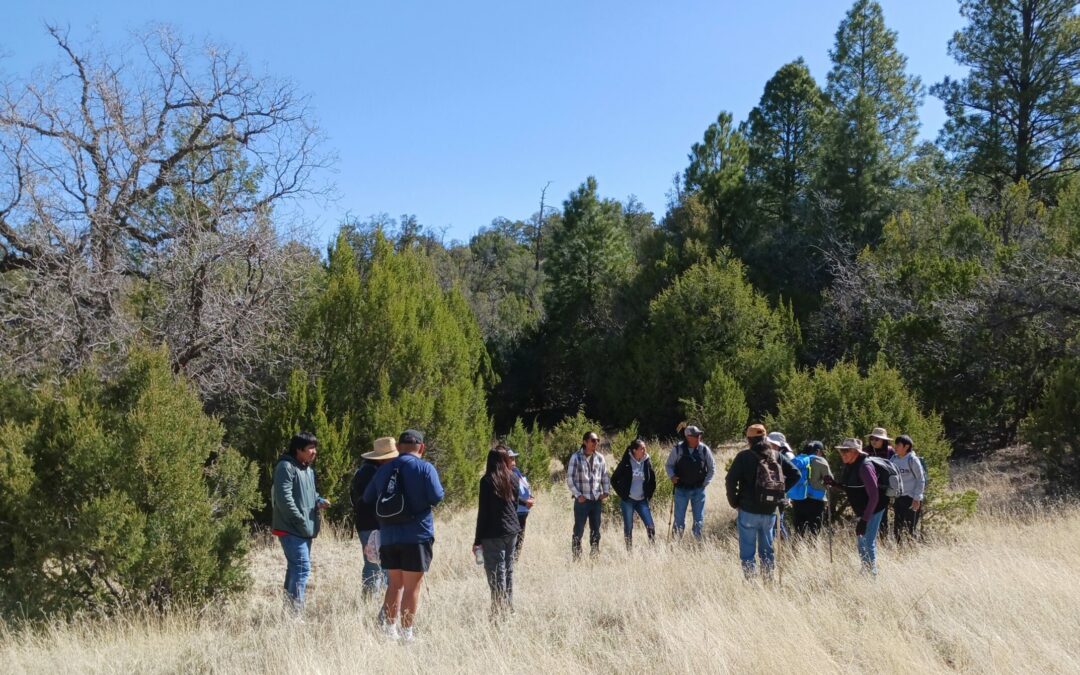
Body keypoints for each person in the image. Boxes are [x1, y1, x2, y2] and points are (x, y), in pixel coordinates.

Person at [363, 429, 445, 642]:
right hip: (417, 535)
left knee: (394, 585)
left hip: (389, 536)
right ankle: (406, 633)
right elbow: (437, 496)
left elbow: (368, 496)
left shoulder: (383, 470)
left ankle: (389, 630)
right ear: (422, 448)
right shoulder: (425, 468)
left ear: (398, 447)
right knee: (411, 587)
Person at [725, 424, 800, 578]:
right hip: (770, 511)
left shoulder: (743, 457)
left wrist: (735, 502)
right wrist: (781, 492)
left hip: (748, 510)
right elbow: (796, 474)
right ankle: (768, 580)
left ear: (749, 440)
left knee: (747, 552)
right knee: (767, 550)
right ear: (765, 438)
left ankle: (751, 583)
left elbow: (730, 480)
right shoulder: (776, 455)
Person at [271, 431, 330, 617]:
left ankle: (289, 613)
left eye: (315, 448)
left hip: (304, 528)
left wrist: (319, 501)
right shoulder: (286, 467)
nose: (314, 452)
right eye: (310, 448)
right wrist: (300, 519)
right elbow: (284, 499)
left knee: (295, 568)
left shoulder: (308, 470)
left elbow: (310, 496)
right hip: (291, 528)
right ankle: (295, 614)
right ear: (298, 450)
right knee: (302, 567)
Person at [825, 438, 888, 575]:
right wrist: (834, 484)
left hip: (874, 507)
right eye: (841, 451)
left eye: (846, 451)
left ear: (856, 452)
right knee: (861, 541)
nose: (843, 454)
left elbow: (874, 496)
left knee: (867, 541)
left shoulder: (865, 467)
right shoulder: (850, 465)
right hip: (864, 509)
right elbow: (851, 487)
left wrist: (864, 520)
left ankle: (872, 575)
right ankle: (866, 570)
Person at [473, 446, 522, 619]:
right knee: (508, 570)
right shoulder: (513, 477)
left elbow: (483, 513)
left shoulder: (487, 481)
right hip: (512, 530)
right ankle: (508, 608)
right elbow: (515, 505)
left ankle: (498, 611)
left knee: (496, 573)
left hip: (493, 533)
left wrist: (477, 540)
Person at [349, 436, 399, 601]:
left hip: (370, 524)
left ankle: (377, 600)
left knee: (380, 564)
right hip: (372, 525)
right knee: (374, 565)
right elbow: (371, 501)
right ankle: (370, 600)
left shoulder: (367, 470)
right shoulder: (370, 473)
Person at [665, 425, 716, 541]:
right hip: (681, 490)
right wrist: (672, 476)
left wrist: (706, 482)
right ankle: (676, 542)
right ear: (687, 437)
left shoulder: (704, 449)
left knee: (699, 519)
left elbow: (712, 467)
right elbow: (669, 465)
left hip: (699, 490)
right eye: (695, 435)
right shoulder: (677, 449)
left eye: (699, 435)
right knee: (679, 519)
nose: (699, 437)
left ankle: (696, 543)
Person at [565, 431, 611, 560]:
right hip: (582, 501)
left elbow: (605, 476)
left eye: (597, 440)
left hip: (596, 500)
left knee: (596, 530)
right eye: (593, 440)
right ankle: (577, 557)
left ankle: (594, 555)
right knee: (578, 530)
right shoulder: (576, 457)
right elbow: (570, 479)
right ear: (585, 442)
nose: (596, 443)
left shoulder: (600, 457)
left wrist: (605, 492)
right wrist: (578, 495)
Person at [610, 439, 657, 549]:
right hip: (628, 501)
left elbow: (652, 481)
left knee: (650, 525)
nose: (644, 450)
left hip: (642, 500)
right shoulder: (626, 462)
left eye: (645, 448)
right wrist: (623, 494)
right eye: (642, 448)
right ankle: (629, 551)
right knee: (629, 527)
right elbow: (614, 479)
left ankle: (653, 548)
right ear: (635, 450)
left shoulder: (647, 462)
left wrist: (648, 495)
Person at [787, 440, 833, 536]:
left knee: (799, 531)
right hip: (816, 501)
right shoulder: (820, 461)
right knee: (814, 531)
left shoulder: (799, 460)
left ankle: (798, 550)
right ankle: (812, 550)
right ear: (818, 451)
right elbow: (830, 480)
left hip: (799, 499)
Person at [890, 434, 926, 545]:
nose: (895, 447)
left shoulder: (912, 460)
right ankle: (899, 552)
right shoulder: (894, 459)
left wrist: (917, 498)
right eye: (895, 444)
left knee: (910, 529)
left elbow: (921, 479)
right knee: (897, 529)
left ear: (906, 447)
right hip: (899, 498)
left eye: (898, 444)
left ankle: (912, 551)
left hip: (911, 498)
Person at [867, 427, 896, 542]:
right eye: (872, 438)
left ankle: (883, 540)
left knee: (882, 516)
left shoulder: (890, 451)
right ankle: (870, 539)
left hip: (883, 489)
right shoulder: (866, 451)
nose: (874, 441)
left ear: (883, 440)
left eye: (877, 439)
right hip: (867, 488)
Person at [767, 431, 795, 539]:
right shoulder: (781, 454)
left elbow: (794, 475)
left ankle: (785, 548)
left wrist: (784, 490)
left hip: (782, 494)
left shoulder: (787, 456)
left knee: (778, 523)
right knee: (777, 522)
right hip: (779, 493)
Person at [509, 449, 535, 561]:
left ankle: (515, 562)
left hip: (523, 512)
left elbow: (524, 486)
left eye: (513, 458)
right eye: (510, 458)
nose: (513, 461)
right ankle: (510, 564)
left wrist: (531, 496)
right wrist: (525, 502)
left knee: (520, 539)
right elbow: (509, 496)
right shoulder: (504, 475)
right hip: (514, 512)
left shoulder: (516, 471)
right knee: (512, 540)